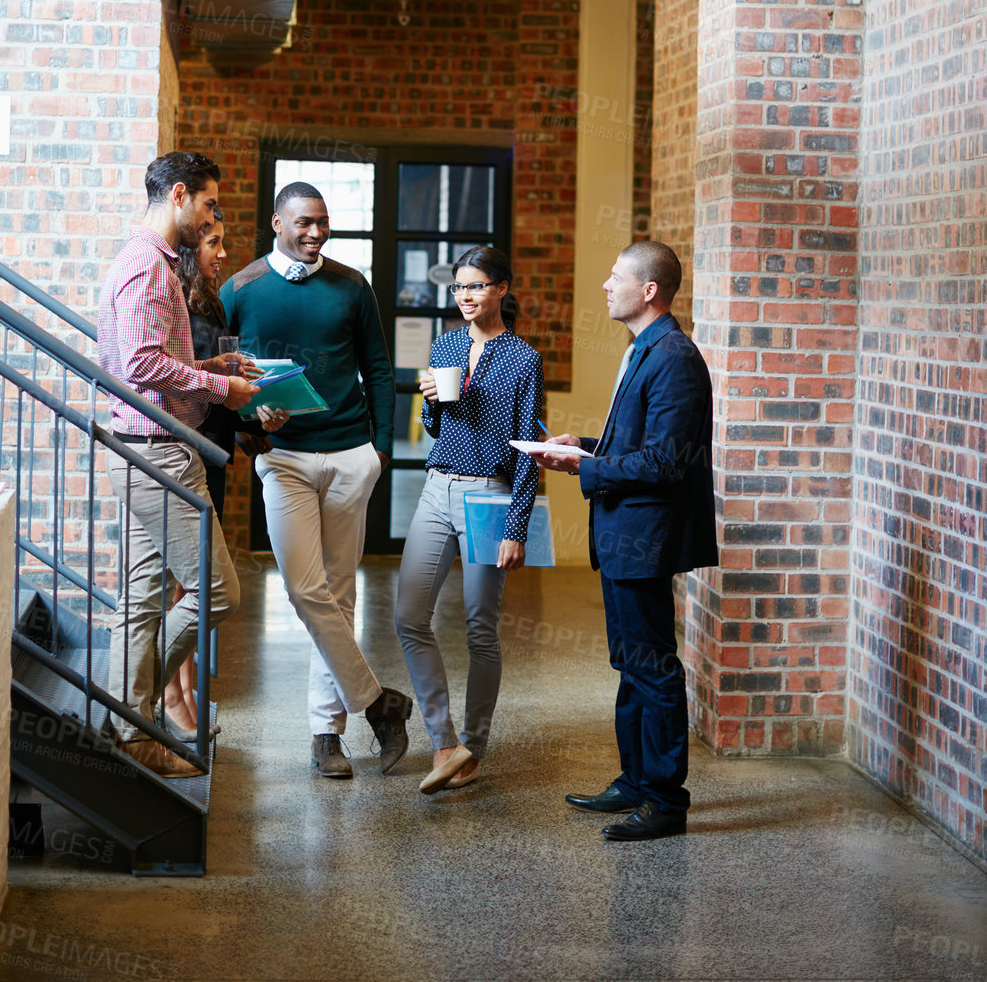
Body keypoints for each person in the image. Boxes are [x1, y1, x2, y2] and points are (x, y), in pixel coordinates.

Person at [222, 180, 414, 779]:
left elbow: (378, 367)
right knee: (307, 591)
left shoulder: (352, 286)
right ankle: (380, 704)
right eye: (304, 222)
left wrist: (379, 450)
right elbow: (221, 375)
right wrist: (251, 420)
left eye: (323, 223)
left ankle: (326, 735)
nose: (315, 233)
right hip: (283, 459)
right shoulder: (240, 289)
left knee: (341, 593)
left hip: (351, 454)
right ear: (277, 222)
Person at [540, 240, 717, 840]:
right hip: (622, 535)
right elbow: (639, 446)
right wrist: (583, 447)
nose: (604, 287)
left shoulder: (673, 356)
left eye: (616, 278)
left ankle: (665, 801)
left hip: (643, 538)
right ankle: (636, 781)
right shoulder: (644, 349)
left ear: (649, 291)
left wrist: (582, 470)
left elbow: (667, 462)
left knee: (653, 667)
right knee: (630, 662)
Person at [98, 151, 257, 779]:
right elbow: (140, 366)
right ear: (181, 196)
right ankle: (127, 713)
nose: (212, 216)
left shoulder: (155, 264)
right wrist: (221, 392)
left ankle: (129, 728)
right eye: (211, 204)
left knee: (141, 600)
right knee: (218, 592)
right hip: (156, 453)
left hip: (146, 446)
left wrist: (211, 371)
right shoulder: (147, 269)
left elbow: (157, 363)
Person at [395, 246, 543, 795]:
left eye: (476, 286)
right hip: (438, 489)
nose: (466, 297)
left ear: (501, 288)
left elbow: (530, 447)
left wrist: (516, 527)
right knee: (410, 616)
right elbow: (436, 427)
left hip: (491, 496)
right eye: (459, 288)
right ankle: (443, 742)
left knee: (480, 627)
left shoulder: (523, 359)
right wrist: (429, 399)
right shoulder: (447, 344)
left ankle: (474, 750)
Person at [166, 212, 289, 735]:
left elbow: (214, 378)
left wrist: (245, 423)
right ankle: (171, 694)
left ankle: (186, 688)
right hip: (184, 447)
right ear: (191, 247)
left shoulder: (210, 301)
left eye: (222, 243)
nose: (221, 254)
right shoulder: (173, 298)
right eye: (213, 244)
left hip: (212, 446)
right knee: (184, 584)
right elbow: (183, 382)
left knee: (191, 580)